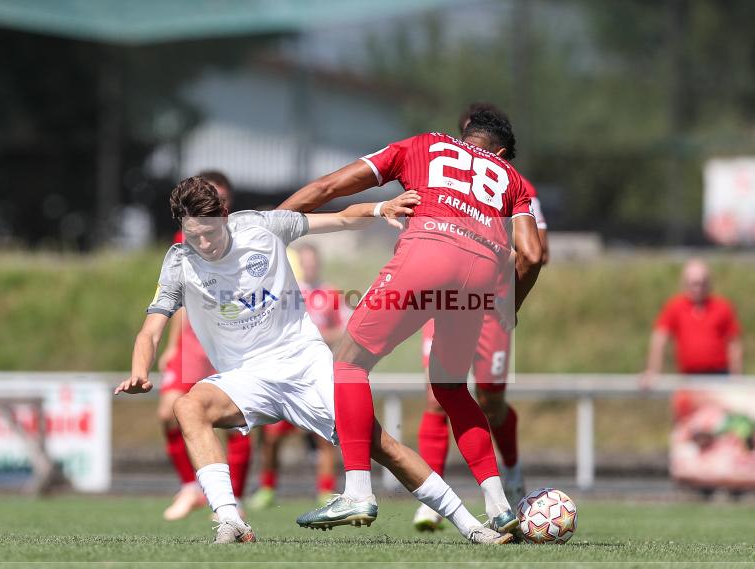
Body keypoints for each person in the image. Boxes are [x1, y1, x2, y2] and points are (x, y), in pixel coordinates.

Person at [116, 176, 511, 545]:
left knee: (381, 446)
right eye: (194, 235)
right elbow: (150, 329)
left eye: (209, 232)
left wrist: (379, 209)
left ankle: (471, 526)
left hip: (303, 362)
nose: (203, 244)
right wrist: (139, 371)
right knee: (188, 407)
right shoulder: (178, 261)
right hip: (245, 378)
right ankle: (231, 520)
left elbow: (338, 218)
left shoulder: (261, 226)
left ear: (224, 216)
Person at [278, 110, 543, 537]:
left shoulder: (424, 145)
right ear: (502, 150)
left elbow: (329, 187)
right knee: (453, 389)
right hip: (481, 269)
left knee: (348, 364)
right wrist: (508, 307)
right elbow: (531, 253)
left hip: (429, 251)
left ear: (465, 136)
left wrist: (271, 223)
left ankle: (358, 492)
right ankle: (499, 505)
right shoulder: (511, 178)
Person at [414, 103, 550, 531]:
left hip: (490, 308)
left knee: (490, 402)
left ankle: (511, 474)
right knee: (437, 398)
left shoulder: (515, 186)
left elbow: (537, 248)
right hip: (445, 300)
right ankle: (432, 499)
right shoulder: (440, 172)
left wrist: (498, 275)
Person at [155, 170, 253, 521]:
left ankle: (234, 498)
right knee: (168, 413)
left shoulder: (243, 235)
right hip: (193, 342)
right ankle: (190, 487)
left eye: (222, 196)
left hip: (231, 338)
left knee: (240, 419)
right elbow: (181, 295)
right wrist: (170, 344)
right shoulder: (187, 238)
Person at [248, 243, 342, 509]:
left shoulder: (330, 292)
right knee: (273, 436)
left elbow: (342, 331)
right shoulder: (286, 292)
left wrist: (319, 338)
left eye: (313, 262)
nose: (309, 266)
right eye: (305, 262)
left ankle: (326, 491)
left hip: (317, 375)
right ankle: (267, 488)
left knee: (325, 436)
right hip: (287, 375)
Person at [642, 259, 743, 384]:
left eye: (702, 283)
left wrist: (736, 377)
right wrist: (653, 371)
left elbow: (734, 344)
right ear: (685, 284)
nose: (698, 288)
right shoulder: (675, 307)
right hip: (688, 376)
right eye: (694, 284)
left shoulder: (722, 307)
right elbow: (659, 338)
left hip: (719, 375)